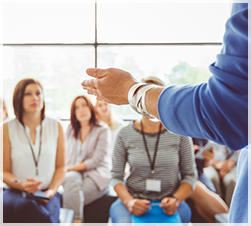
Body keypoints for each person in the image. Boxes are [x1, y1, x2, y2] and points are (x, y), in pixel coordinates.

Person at [81, 3, 248, 223]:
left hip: (170, 200)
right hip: (134, 199)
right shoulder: (124, 134)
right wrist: (130, 201)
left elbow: (190, 175)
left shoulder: (178, 133)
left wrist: (176, 199)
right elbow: (115, 177)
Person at [2, 78, 66, 223]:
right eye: (28, 94)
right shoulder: (6, 128)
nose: (35, 97)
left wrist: (51, 191)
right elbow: (3, 171)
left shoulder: (56, 126)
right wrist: (21, 184)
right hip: (15, 191)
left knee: (47, 218)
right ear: (19, 98)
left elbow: (61, 167)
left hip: (48, 192)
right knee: (28, 207)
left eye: (38, 93)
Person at [63, 95, 111, 223]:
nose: (81, 110)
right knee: (71, 180)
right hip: (74, 173)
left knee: (72, 196)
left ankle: (75, 222)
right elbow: (65, 155)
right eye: (77, 107)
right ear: (74, 113)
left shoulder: (103, 130)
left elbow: (96, 161)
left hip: (96, 174)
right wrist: (69, 169)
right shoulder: (70, 129)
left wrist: (70, 168)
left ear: (91, 107)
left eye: (84, 105)